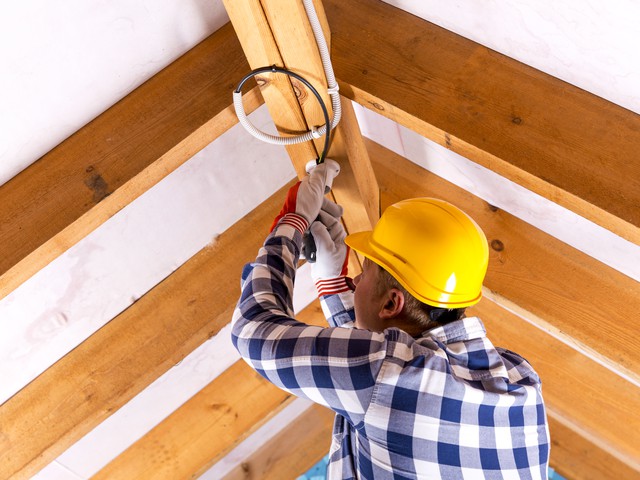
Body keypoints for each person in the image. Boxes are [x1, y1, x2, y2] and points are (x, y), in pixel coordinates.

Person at [232, 160, 550, 479]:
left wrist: (292, 222)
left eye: (364, 271)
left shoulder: (388, 374)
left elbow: (253, 330)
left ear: (391, 303)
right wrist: (331, 285)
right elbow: (381, 379)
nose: (355, 281)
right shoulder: (519, 377)